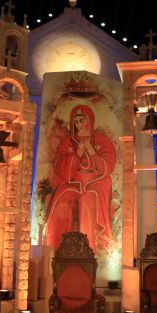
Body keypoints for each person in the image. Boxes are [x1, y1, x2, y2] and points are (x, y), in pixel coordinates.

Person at [45, 105, 116, 253]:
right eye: (75, 121)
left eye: (82, 120)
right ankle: (58, 250)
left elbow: (107, 167)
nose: (78, 124)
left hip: (95, 183)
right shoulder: (67, 142)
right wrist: (76, 155)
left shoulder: (101, 140)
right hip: (72, 182)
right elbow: (60, 165)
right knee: (61, 205)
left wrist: (92, 153)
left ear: (89, 120)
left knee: (88, 200)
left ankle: (88, 251)